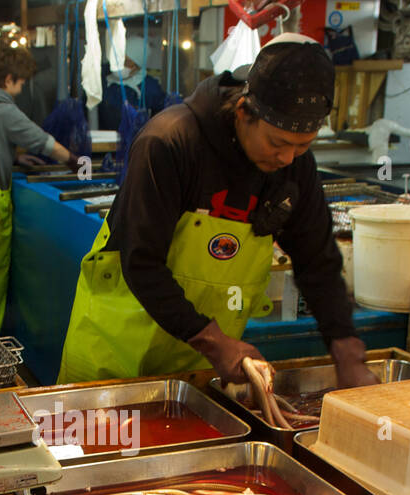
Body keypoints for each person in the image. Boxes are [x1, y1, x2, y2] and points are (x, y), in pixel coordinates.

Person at [58, 35, 377, 388]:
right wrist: (214, 341)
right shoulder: (169, 142)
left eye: (304, 146)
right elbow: (142, 261)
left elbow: (316, 260)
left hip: (199, 362)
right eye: (278, 143)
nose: (288, 158)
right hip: (114, 352)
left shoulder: (294, 167)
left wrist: (346, 349)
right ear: (243, 113)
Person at [0, 47, 73, 333]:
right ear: (8, 80)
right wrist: (77, 161)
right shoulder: (4, 111)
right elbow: (43, 142)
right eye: (19, 84)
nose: (20, 91)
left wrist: (12, 157)